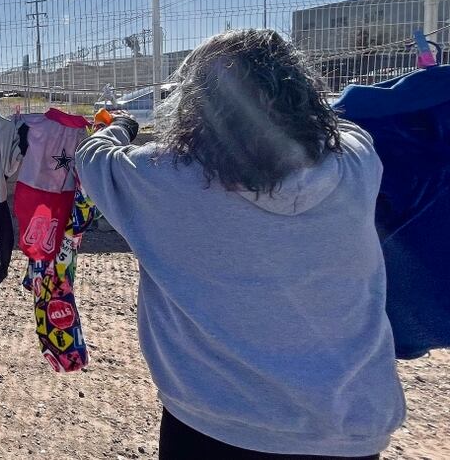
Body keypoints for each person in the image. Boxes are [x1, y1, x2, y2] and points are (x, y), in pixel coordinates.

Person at [76, 30, 405, 459]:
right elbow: (341, 123)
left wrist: (120, 125)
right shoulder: (357, 160)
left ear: (196, 103)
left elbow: (92, 157)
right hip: (350, 425)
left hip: (212, 423)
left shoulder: (160, 177)